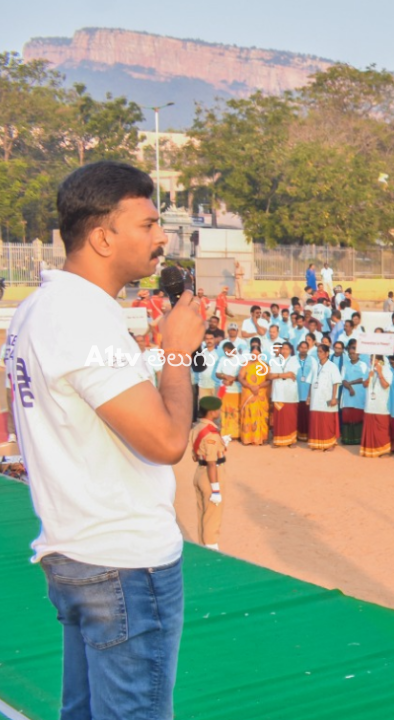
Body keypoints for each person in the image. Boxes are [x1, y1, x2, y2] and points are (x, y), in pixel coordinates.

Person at [9, 161, 205, 717]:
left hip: (79, 549)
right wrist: (175, 353)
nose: (162, 238)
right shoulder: (79, 318)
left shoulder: (41, 307)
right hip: (122, 561)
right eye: (146, 224)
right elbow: (166, 442)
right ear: (101, 236)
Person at [191, 396, 227, 550]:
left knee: (202, 517)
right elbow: (212, 462)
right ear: (212, 412)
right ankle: (212, 554)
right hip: (211, 475)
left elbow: (196, 454)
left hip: (199, 472)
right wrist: (216, 488)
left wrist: (222, 442)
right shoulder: (211, 433)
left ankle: (203, 549)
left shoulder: (197, 427)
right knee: (212, 518)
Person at [307, 344, 343, 451]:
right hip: (315, 398)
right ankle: (317, 443)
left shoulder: (332, 366)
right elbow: (310, 382)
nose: (319, 353)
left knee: (327, 422)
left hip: (327, 398)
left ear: (327, 353)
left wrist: (334, 398)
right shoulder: (315, 366)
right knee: (316, 421)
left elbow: (335, 383)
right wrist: (308, 396)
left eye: (321, 352)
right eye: (318, 351)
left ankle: (329, 444)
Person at [360, 355, 393, 458]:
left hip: (381, 404)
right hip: (370, 404)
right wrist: (369, 377)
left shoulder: (387, 370)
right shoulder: (369, 370)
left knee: (381, 428)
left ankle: (384, 450)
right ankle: (370, 450)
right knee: (370, 427)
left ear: (380, 361)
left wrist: (380, 373)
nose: (371, 361)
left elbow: (385, 385)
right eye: (370, 359)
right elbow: (364, 385)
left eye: (373, 359)